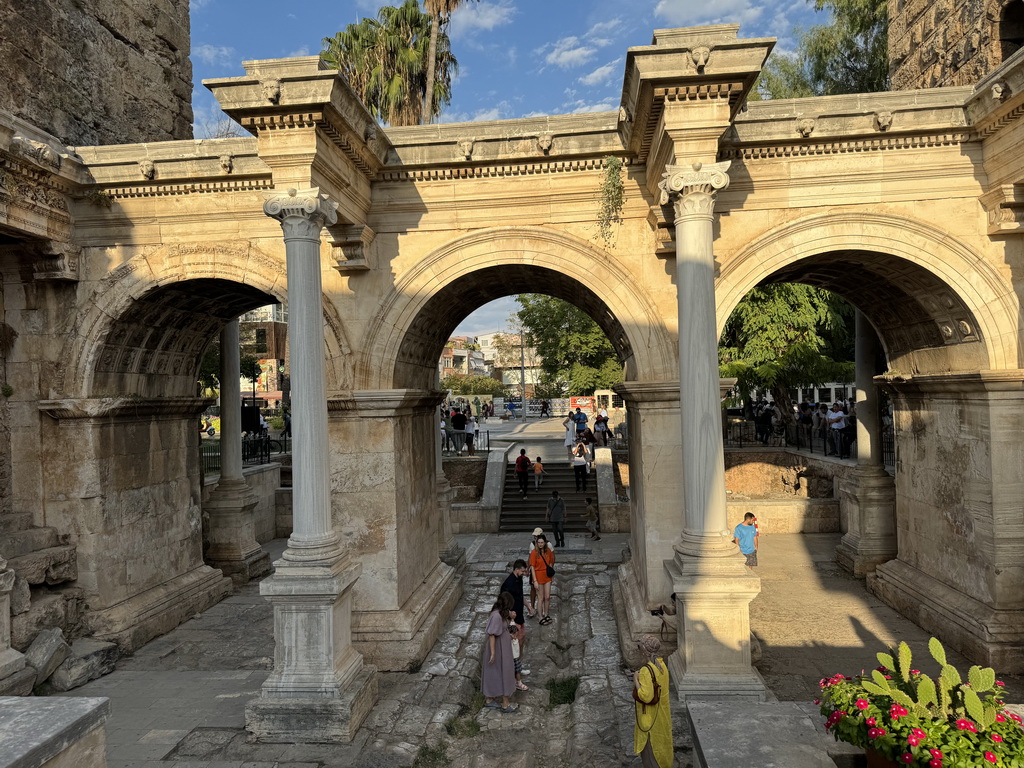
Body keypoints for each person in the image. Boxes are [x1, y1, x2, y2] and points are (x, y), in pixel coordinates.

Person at [633, 635, 672, 768]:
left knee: (650, 754)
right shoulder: (662, 666)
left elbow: (646, 696)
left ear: (644, 651)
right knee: (661, 749)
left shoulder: (645, 671)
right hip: (662, 717)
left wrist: (636, 681)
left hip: (650, 719)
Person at [481, 592, 518, 713]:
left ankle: (490, 699)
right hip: (499, 648)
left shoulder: (501, 613)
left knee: (496, 672)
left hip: (503, 646)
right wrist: (493, 653)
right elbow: (492, 635)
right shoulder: (496, 616)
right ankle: (505, 704)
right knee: (504, 672)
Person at [501, 560, 530, 690]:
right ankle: (516, 680)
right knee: (514, 648)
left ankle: (518, 669)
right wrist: (509, 617)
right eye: (523, 571)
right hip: (512, 621)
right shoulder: (508, 584)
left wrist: (529, 606)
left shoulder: (519, 580)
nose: (525, 573)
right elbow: (502, 604)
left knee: (521, 643)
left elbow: (520, 596)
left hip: (520, 617)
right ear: (517, 569)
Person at [529, 535, 555, 625]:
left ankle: (546, 614)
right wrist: (534, 580)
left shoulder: (548, 551)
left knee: (547, 597)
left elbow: (551, 562)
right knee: (540, 598)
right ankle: (540, 617)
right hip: (538, 576)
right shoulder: (534, 552)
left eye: (542, 543)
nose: (540, 544)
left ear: (545, 543)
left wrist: (551, 573)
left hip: (547, 576)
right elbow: (532, 566)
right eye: (539, 543)